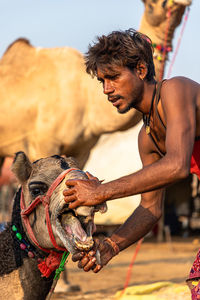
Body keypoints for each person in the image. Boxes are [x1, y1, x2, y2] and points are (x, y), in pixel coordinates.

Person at [63, 28, 200, 294]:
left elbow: (177, 165)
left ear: (140, 69)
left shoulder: (175, 90)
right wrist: (111, 246)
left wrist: (100, 191)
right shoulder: (147, 137)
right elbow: (151, 207)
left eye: (113, 77)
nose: (107, 89)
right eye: (102, 80)